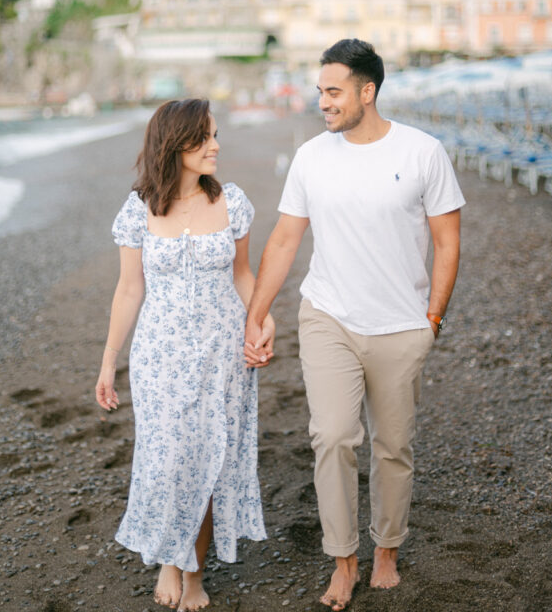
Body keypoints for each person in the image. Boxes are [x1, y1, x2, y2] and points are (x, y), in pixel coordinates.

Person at [244, 39, 464, 608]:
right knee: (333, 436)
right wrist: (257, 313)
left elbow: (447, 241)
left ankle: (386, 549)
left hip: (401, 325)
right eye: (321, 91)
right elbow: (287, 238)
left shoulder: (422, 153)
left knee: (393, 446)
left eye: (334, 91)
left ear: (368, 91)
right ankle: (343, 560)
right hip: (328, 317)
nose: (323, 102)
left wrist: (431, 320)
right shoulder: (313, 156)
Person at [97, 98, 274, 611]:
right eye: (206, 138)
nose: (217, 145)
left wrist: (263, 322)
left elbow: (244, 276)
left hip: (223, 355)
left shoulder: (232, 202)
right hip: (160, 359)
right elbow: (129, 290)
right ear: (175, 144)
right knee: (171, 460)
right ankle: (171, 562)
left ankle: (192, 574)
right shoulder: (138, 210)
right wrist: (110, 361)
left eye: (216, 135)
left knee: (213, 462)